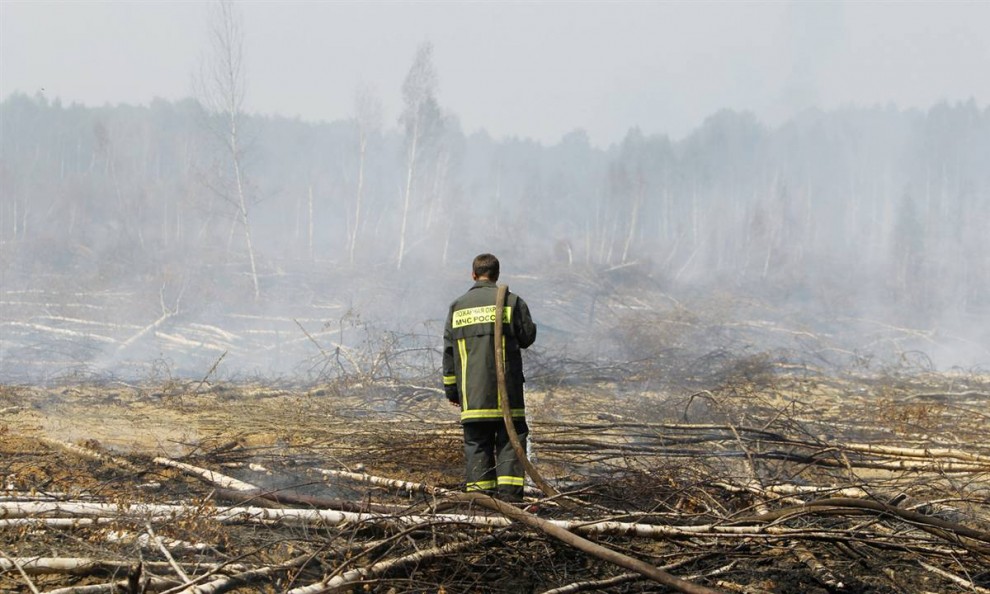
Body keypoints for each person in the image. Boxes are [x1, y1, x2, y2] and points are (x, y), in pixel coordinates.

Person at [443, 253, 537, 501]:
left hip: (473, 397)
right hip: (507, 395)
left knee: (477, 445)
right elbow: (527, 337)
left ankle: (481, 503)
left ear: (473, 274)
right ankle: (509, 502)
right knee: (510, 442)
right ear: (497, 275)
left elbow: (449, 353)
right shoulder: (511, 301)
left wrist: (453, 392)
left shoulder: (457, 307)